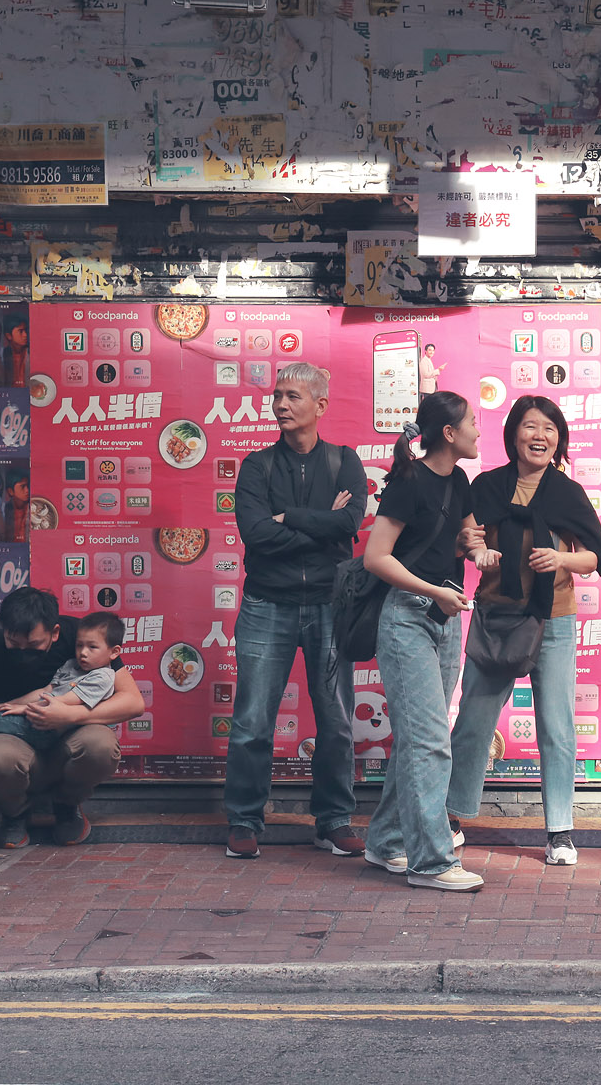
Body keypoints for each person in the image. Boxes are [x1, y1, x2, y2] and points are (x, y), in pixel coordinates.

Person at [448, 397, 601, 867]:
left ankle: (559, 831)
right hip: (497, 616)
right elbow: (466, 539)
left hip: (553, 618)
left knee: (557, 727)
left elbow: (595, 556)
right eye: (530, 426)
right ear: (513, 435)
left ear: (558, 439)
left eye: (549, 428)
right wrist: (472, 547)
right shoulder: (486, 486)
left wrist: (561, 558)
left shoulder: (566, 492)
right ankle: (451, 818)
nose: (540, 436)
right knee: (474, 721)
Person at [225, 362, 369, 860]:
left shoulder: (344, 461)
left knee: (337, 720)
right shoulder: (257, 465)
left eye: (293, 396)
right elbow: (256, 533)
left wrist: (291, 519)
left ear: (320, 405)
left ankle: (333, 820)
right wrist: (321, 524)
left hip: (331, 605)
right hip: (267, 604)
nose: (281, 405)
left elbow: (350, 524)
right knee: (252, 721)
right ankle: (244, 820)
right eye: (278, 395)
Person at [363, 391, 487, 892]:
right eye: (472, 422)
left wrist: (478, 550)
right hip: (407, 618)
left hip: (445, 617)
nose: (479, 430)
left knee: (418, 740)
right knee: (430, 742)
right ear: (449, 433)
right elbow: (377, 557)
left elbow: (466, 537)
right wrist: (434, 589)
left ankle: (385, 841)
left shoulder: (459, 481)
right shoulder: (409, 482)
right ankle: (432, 862)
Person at [0, 587, 143, 849]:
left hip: (67, 735)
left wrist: (68, 715)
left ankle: (66, 805)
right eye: (14, 643)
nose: (22, 651)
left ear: (55, 633)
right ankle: (14, 813)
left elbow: (133, 701)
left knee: (101, 745)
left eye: (32, 645)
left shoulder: (82, 639)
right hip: (14, 740)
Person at [0, 612, 121, 766]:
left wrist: (24, 709)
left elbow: (64, 701)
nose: (83, 652)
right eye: (79, 645)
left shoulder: (103, 677)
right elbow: (46, 690)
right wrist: (10, 704)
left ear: (114, 652)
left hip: (48, 728)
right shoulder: (72, 665)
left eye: (92, 647)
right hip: (37, 719)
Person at [4, 316, 29, 387]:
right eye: (20, 331)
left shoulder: (30, 353)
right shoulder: (3, 354)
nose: (25, 335)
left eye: (25, 330)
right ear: (9, 336)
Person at [8, 468, 31, 542]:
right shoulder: (6, 509)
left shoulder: (32, 507)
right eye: (22, 486)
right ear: (11, 491)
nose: (27, 490)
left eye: (27, 486)